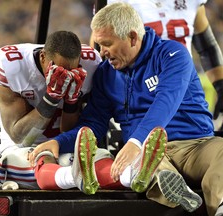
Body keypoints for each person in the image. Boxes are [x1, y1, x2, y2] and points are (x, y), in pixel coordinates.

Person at [29, 3, 223, 216]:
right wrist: (59, 141)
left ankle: (218, 205)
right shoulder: (105, 75)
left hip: (195, 145)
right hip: (149, 154)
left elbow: (165, 101)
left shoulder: (173, 54)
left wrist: (135, 141)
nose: (101, 52)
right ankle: (173, 189)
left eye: (106, 44)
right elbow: (94, 124)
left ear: (132, 37)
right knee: (143, 163)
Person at [0, 30, 103, 189]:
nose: (65, 75)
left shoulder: (91, 63)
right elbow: (22, 139)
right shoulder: (13, 65)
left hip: (63, 147)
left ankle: (130, 175)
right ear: (42, 57)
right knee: (42, 158)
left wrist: (71, 101)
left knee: (100, 157)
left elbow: (68, 131)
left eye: (72, 70)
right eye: (58, 69)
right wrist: (52, 98)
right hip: (23, 150)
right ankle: (74, 177)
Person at [90, 0, 223, 126]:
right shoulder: (117, 3)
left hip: (182, 88)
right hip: (140, 92)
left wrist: (220, 86)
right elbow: (101, 51)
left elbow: (206, 46)